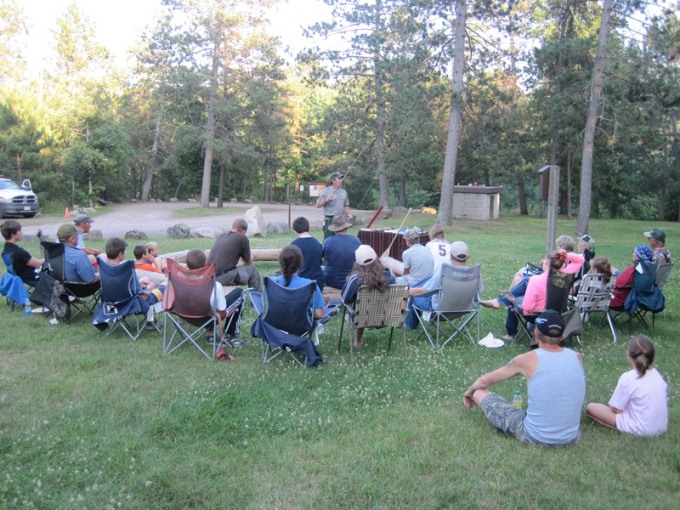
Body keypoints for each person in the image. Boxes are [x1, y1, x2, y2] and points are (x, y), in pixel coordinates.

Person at [463, 310, 586, 446]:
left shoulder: (528, 359)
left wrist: (469, 392)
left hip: (535, 436)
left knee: (479, 392)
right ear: (562, 336)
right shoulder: (577, 357)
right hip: (571, 437)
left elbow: (485, 381)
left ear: (536, 333)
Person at [482, 249, 584, 341]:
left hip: (539, 315)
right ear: (561, 264)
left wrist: (518, 299)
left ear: (547, 263)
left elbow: (527, 307)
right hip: (559, 313)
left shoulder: (536, 280)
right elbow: (580, 260)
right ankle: (499, 300)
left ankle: (511, 334)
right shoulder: (566, 275)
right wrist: (565, 255)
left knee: (513, 299)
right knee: (525, 282)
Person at [586, 336, 668, 437]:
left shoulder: (628, 378)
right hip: (660, 427)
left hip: (641, 429)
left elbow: (616, 410)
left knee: (591, 407)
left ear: (629, 355)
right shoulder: (657, 375)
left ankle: (617, 426)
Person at [406, 240, 481, 329]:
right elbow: (477, 296)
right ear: (468, 256)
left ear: (450, 255)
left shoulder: (445, 271)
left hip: (440, 310)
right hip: (463, 309)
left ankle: (409, 325)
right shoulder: (475, 273)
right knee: (427, 281)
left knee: (415, 295)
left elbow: (424, 291)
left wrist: (406, 292)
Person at [184, 248, 239, 356]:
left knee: (209, 303)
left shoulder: (179, 281)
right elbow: (222, 312)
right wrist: (227, 314)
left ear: (187, 264)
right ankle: (231, 334)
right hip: (209, 318)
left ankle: (211, 334)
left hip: (185, 315)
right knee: (239, 293)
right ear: (205, 264)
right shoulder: (214, 284)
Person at [341, 245, 395, 348]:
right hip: (386, 317)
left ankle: (357, 342)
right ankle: (358, 341)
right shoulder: (389, 277)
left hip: (362, 318)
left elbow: (345, 298)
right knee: (365, 308)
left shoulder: (355, 280)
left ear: (357, 263)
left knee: (361, 309)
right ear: (376, 259)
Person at [207, 218, 261, 291]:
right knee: (252, 268)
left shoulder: (221, 236)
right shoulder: (242, 238)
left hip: (209, 277)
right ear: (244, 231)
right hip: (221, 278)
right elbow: (249, 261)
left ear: (233, 227)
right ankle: (257, 299)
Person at [273, 245, 324, 319]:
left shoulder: (271, 282)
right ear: (301, 264)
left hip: (274, 326)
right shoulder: (310, 285)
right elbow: (319, 314)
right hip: (300, 328)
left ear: (280, 262)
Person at [322, 215, 361, 289]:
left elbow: (323, 258)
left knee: (321, 268)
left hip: (331, 281)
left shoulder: (327, 242)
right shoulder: (356, 240)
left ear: (334, 229)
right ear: (346, 227)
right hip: (351, 281)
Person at [1, 219, 43, 286]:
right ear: (12, 234)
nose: (22, 233)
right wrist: (48, 257)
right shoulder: (18, 252)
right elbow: (38, 264)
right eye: (19, 230)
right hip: (33, 277)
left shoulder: (6, 250)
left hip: (21, 276)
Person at [610, 245, 653, 309]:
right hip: (641, 298)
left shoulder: (632, 270)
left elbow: (618, 284)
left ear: (638, 257)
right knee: (613, 270)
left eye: (634, 252)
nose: (632, 254)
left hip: (621, 300)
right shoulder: (649, 271)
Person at [290, 216, 324, 290]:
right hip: (317, 282)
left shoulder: (294, 245)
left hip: (301, 283)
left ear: (295, 230)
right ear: (308, 228)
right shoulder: (317, 243)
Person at [316, 172, 352, 239]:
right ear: (333, 181)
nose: (341, 180)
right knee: (328, 239)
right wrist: (326, 200)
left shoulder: (343, 191)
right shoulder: (326, 191)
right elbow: (317, 205)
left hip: (341, 219)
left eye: (341, 178)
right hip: (330, 220)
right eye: (339, 178)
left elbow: (346, 205)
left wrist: (348, 213)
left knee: (341, 239)